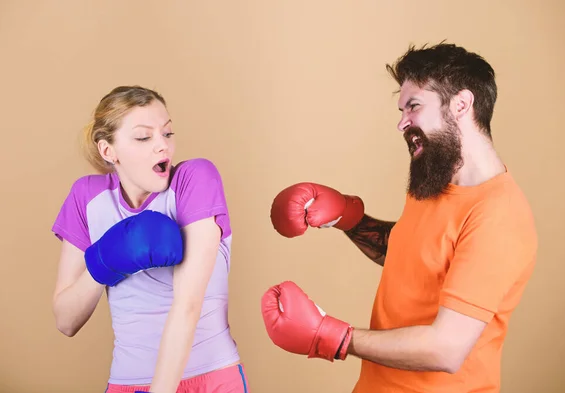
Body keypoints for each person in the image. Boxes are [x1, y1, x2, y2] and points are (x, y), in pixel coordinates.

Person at [261, 43, 538, 393]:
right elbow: (411, 255)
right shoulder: (433, 180)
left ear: (462, 104)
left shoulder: (498, 215)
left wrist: (330, 335)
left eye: (414, 106)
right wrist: (347, 219)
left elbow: (446, 349)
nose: (402, 122)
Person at [51, 86, 250, 393]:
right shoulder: (87, 198)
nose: (163, 147)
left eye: (167, 134)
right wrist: (103, 261)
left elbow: (188, 305)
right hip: (126, 382)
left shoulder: (194, 180)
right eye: (144, 137)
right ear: (108, 151)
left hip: (210, 378)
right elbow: (66, 321)